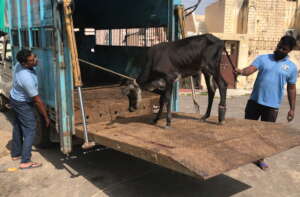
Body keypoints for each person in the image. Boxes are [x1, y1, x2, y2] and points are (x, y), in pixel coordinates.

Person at [236, 35, 298, 170]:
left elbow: (291, 88)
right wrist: (241, 71)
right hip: (254, 102)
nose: (280, 49)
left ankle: (260, 158)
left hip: (272, 106)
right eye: (279, 46)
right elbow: (250, 70)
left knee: (265, 134)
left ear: (289, 51)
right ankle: (244, 154)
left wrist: (292, 109)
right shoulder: (263, 58)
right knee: (247, 130)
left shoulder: (291, 67)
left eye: (284, 49)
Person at [10, 49, 49, 169]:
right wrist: (46, 117)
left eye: (35, 57)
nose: (35, 60)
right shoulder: (26, 79)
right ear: (25, 64)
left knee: (18, 126)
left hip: (15, 98)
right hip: (22, 103)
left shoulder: (18, 64)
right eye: (32, 60)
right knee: (30, 129)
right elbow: (37, 100)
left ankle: (16, 154)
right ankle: (25, 161)